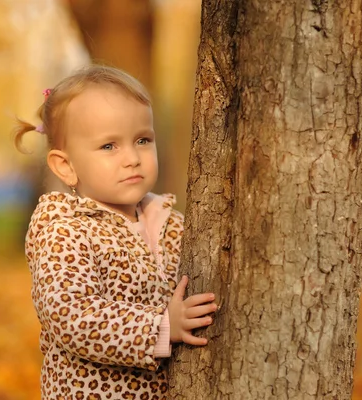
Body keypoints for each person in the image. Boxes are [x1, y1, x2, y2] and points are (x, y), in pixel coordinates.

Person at [14, 64, 217, 399]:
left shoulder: (171, 222)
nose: (132, 158)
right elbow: (72, 317)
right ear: (66, 166)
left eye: (142, 140)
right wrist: (163, 326)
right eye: (109, 146)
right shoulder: (65, 231)